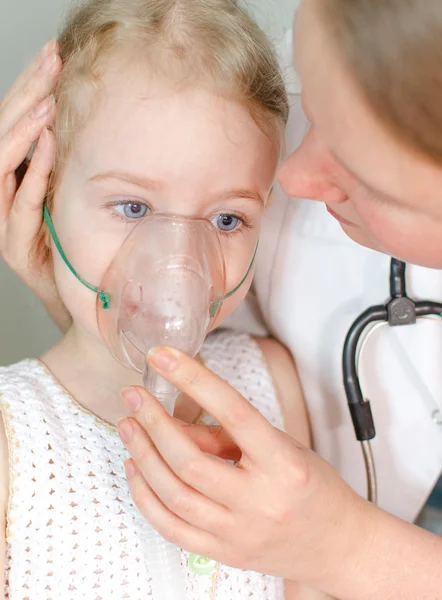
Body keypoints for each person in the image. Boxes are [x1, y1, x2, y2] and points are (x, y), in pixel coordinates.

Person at [1, 0, 442, 599]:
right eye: (133, 208)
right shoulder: (16, 443)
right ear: (39, 187)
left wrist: (343, 545)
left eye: (228, 219)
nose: (176, 263)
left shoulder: (273, 388)